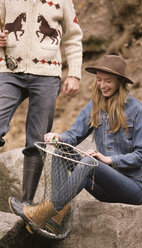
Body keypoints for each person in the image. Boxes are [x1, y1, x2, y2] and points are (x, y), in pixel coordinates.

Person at [9, 55, 142, 231]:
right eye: (99, 80)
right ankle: (56, 217)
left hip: (131, 189)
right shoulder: (95, 106)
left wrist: (108, 160)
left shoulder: (138, 111)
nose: (102, 85)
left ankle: (44, 213)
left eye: (108, 81)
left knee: (90, 163)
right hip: (104, 188)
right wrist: (58, 138)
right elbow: (73, 135)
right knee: (61, 150)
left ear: (120, 82)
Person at [0, 0, 83, 205]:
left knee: (37, 139)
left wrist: (74, 74)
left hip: (47, 76)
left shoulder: (63, 1)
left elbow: (73, 36)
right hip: (10, 71)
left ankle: (26, 203)